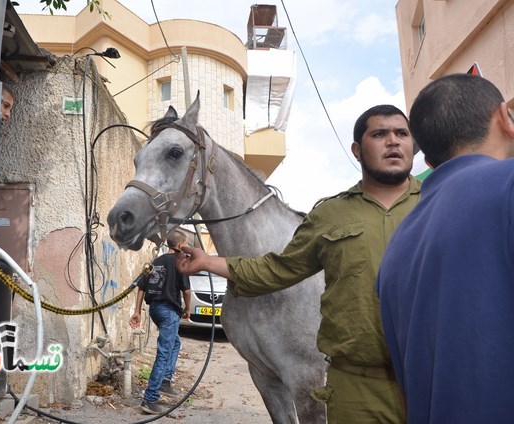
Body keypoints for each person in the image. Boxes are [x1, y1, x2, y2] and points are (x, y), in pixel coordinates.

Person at [176, 104, 420, 423]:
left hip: (427, 380)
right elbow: (276, 270)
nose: (392, 141)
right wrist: (208, 261)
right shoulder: (329, 215)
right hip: (354, 390)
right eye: (380, 134)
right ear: (357, 150)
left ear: (413, 145)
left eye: (401, 133)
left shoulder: (441, 204)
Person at [376, 73, 514, 423]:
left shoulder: (397, 249)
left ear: (428, 160)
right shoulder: (507, 185)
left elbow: (407, 393)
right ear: (504, 118)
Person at [130, 230, 191, 415]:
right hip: (169, 311)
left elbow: (141, 287)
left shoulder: (155, 261)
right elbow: (187, 291)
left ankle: (165, 381)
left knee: (175, 343)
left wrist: (138, 311)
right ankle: (150, 398)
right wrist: (187, 309)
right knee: (164, 352)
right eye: (185, 244)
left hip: (155, 309)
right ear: (181, 245)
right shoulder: (180, 262)